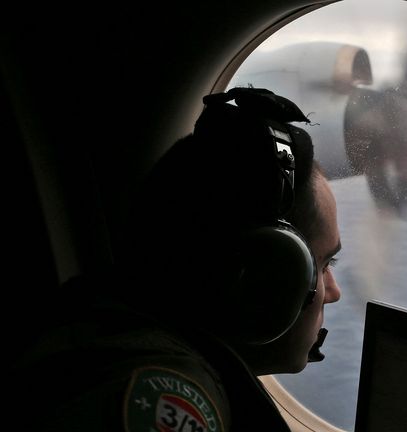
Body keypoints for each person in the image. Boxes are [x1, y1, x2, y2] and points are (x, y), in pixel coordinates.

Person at [12, 87, 342, 431]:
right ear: (261, 280)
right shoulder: (168, 395)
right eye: (323, 266)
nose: (333, 292)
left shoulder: (109, 332)